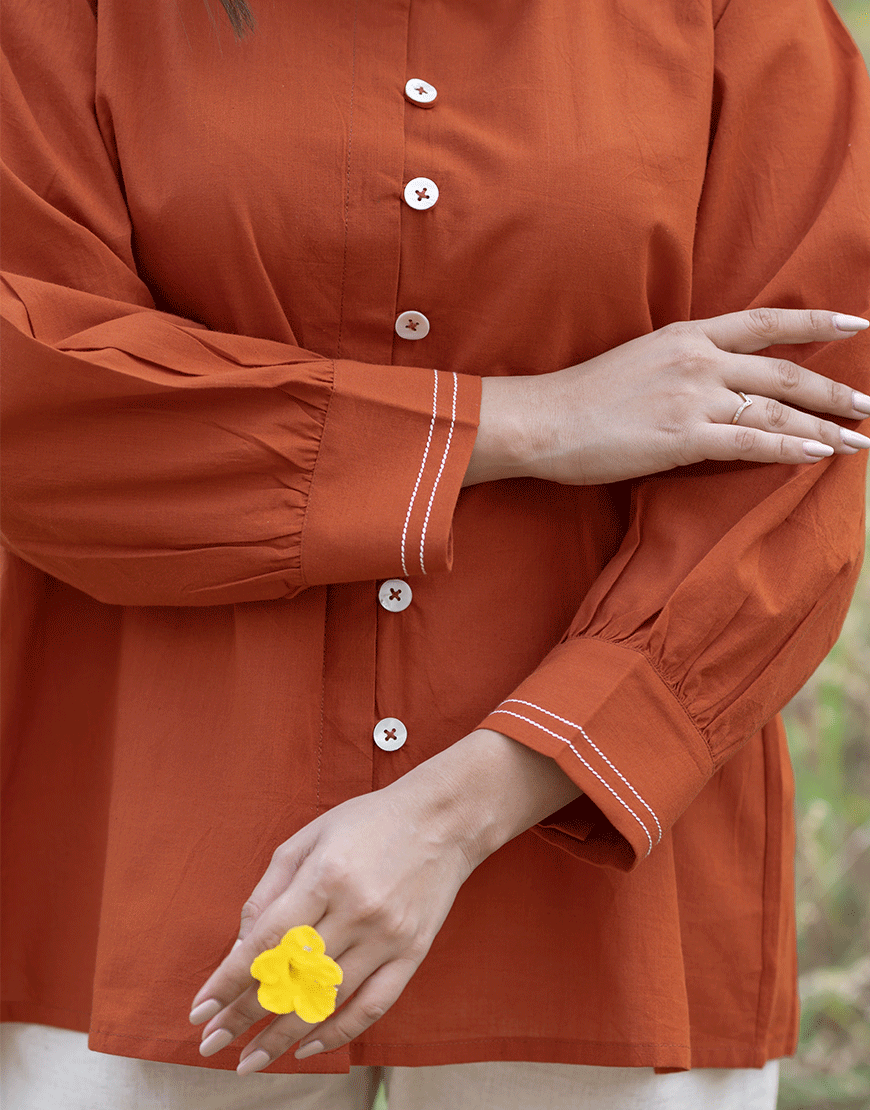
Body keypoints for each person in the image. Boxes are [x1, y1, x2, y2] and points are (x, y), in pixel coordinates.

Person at [2, 0, 869, 1107]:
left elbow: (789, 473)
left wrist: (459, 812)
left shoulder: (739, 20)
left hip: (591, 903)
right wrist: (531, 421)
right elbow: (38, 405)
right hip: (151, 872)